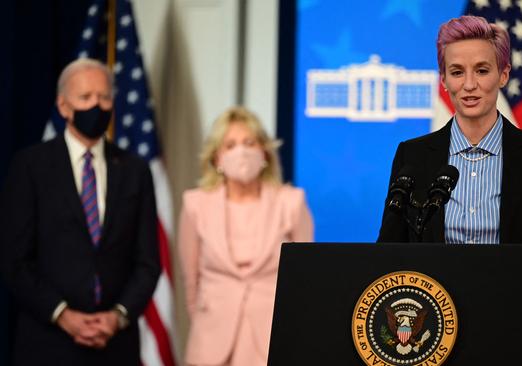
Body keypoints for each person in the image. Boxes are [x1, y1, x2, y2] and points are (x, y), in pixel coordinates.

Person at [377, 15, 522, 287]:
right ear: (443, 80)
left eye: (482, 70)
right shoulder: (413, 156)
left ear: (504, 75)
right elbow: (388, 254)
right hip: (436, 320)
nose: (469, 84)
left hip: (513, 317)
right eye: (457, 72)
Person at [0, 58, 160, 365]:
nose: (96, 106)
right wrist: (61, 314)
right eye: (85, 98)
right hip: (47, 343)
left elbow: (148, 262)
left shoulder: (135, 171)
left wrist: (119, 315)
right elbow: (15, 260)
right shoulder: (30, 167)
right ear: (63, 106)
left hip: (116, 345)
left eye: (104, 97)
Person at [178, 106, 314, 366]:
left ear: (264, 151)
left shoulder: (292, 203)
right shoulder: (195, 205)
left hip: (274, 340)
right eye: (230, 145)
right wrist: (208, 321)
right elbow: (191, 282)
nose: (241, 152)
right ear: (216, 157)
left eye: (249, 142)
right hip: (211, 343)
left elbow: (306, 280)